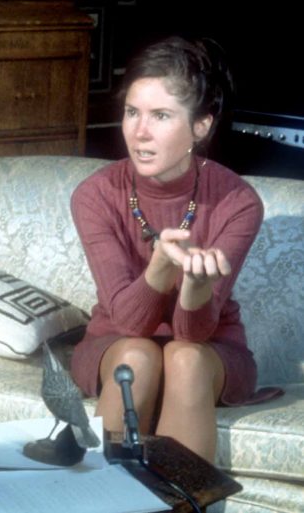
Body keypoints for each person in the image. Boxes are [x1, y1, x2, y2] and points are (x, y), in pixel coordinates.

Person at [69, 36, 281, 462]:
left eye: (161, 115)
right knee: (138, 357)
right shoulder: (95, 195)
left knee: (184, 359)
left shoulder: (238, 202)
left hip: (211, 350)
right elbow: (129, 322)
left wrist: (195, 288)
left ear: (201, 126)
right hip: (116, 341)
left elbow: (194, 333)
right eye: (132, 112)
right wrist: (161, 267)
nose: (139, 132)